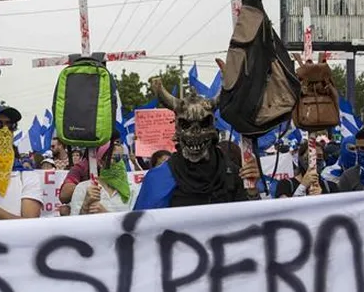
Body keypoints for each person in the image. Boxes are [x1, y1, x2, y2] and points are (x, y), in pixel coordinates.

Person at [133, 79, 259, 209]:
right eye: (186, 125)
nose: (195, 133)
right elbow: (142, 225)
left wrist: (252, 190)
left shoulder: (232, 173)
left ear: (213, 126)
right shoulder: (159, 178)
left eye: (204, 123)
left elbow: (250, 221)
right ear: (177, 129)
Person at [70, 136, 139, 215]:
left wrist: (106, 214)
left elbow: (135, 224)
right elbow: (75, 224)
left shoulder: (133, 189)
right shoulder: (84, 188)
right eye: (114, 158)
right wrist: (85, 205)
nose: (120, 163)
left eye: (123, 158)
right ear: (100, 162)